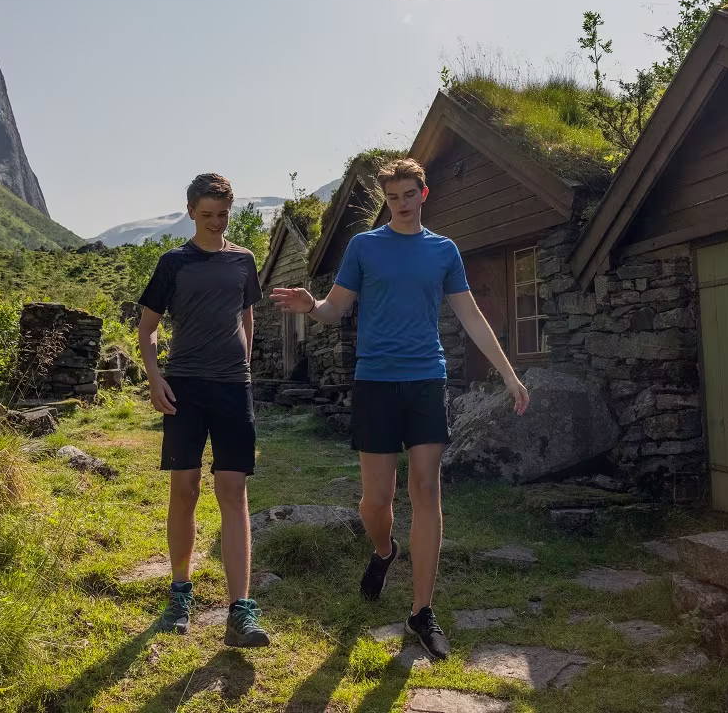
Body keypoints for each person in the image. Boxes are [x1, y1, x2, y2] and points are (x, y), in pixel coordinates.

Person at [272, 157, 529, 660]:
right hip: (375, 383)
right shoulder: (364, 247)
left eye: (410, 195)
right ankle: (384, 550)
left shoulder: (443, 251)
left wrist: (508, 372)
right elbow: (335, 309)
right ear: (386, 200)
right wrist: (311, 305)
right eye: (393, 197)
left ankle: (421, 610)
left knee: (427, 488)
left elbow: (470, 316)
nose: (402, 204)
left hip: (426, 380)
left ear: (423, 194)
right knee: (375, 501)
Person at [137, 172, 270, 648]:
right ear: (191, 212)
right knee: (186, 489)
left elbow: (247, 313)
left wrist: (245, 363)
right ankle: (180, 594)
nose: (215, 223)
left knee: (233, 492)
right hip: (185, 388)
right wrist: (155, 379)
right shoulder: (173, 263)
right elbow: (147, 328)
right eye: (206, 214)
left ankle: (241, 612)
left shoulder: (243, 260)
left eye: (222, 215)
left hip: (234, 388)